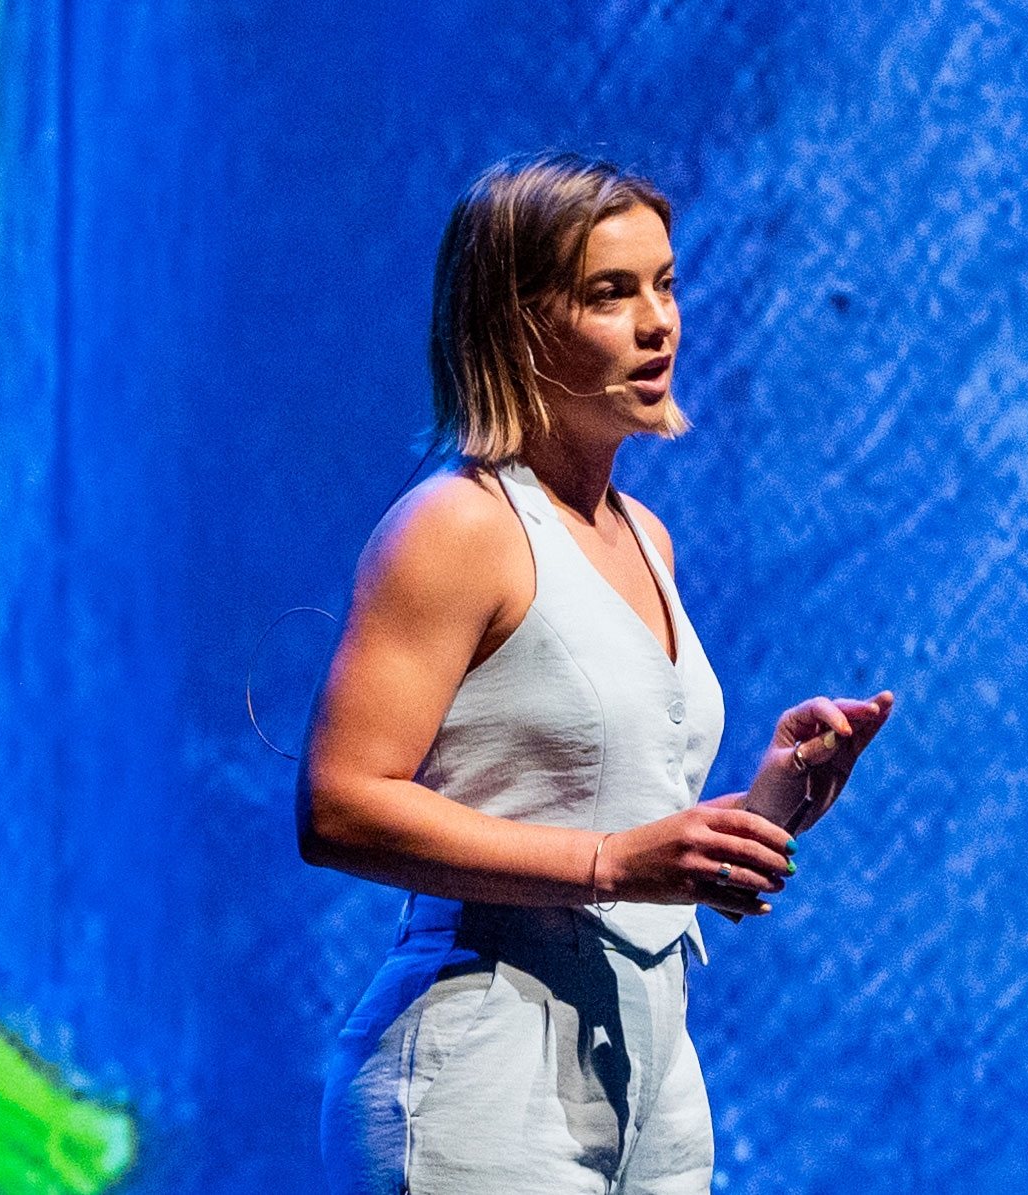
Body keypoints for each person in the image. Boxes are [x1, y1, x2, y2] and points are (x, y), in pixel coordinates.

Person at [298, 151, 893, 1195]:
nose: (657, 321)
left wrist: (760, 814)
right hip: (484, 1069)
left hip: (650, 1073)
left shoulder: (644, 537)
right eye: (609, 293)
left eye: (663, 284)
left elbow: (607, 816)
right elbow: (339, 806)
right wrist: (613, 862)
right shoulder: (458, 526)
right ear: (518, 324)